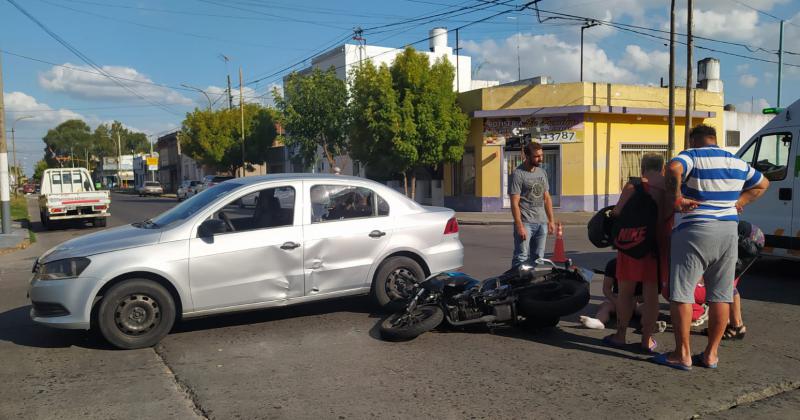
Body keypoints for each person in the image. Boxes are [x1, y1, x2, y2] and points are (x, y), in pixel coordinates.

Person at [653, 124, 769, 370]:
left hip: (694, 230)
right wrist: (739, 202)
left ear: (693, 140)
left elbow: (673, 169)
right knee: (721, 295)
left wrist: (676, 200)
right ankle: (711, 354)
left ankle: (682, 354)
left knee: (681, 293)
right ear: (714, 140)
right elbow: (763, 183)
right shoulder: (736, 162)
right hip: (728, 232)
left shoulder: (692, 155)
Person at [603, 154, 667, 353]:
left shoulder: (632, 186)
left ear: (642, 168)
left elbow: (618, 213)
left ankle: (620, 335)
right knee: (651, 296)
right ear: (662, 169)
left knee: (625, 292)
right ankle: (646, 340)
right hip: (654, 246)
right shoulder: (665, 188)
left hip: (631, 243)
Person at [580, 258, 668, 333]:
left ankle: (648, 326)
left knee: (649, 309)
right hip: (617, 298)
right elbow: (606, 289)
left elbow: (656, 291)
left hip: (641, 300)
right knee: (606, 306)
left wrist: (634, 300)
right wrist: (617, 301)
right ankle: (598, 322)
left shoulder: (651, 265)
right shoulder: (613, 263)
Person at [509, 141, 556, 269]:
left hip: (541, 222)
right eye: (536, 156)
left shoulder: (542, 172)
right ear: (527, 156)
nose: (540, 159)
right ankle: (515, 286)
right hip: (526, 222)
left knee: (538, 258)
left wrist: (551, 221)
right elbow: (514, 202)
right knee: (521, 257)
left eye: (541, 155)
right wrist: (519, 226)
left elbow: (546, 198)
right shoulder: (517, 174)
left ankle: (533, 287)